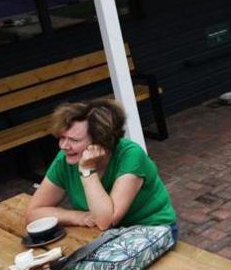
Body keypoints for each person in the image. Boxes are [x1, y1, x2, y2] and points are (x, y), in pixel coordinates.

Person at [26, 99, 177, 237]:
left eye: (74, 140)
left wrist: (87, 170)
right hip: (104, 236)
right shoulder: (66, 159)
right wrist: (79, 217)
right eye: (62, 137)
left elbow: (106, 221)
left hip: (152, 231)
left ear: (100, 140)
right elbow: (33, 213)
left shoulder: (131, 155)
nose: (64, 146)